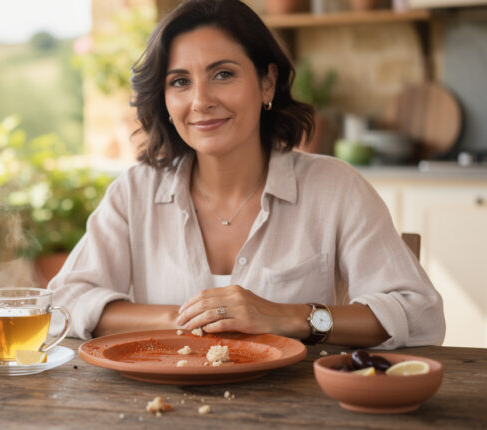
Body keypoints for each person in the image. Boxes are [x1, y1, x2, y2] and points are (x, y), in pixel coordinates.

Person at [49, 0, 445, 349]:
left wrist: (289, 317)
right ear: (165, 100)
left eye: (223, 74)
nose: (201, 101)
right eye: (180, 81)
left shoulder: (335, 188)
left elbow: (420, 313)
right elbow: (62, 302)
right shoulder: (134, 193)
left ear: (267, 81)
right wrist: (185, 319)